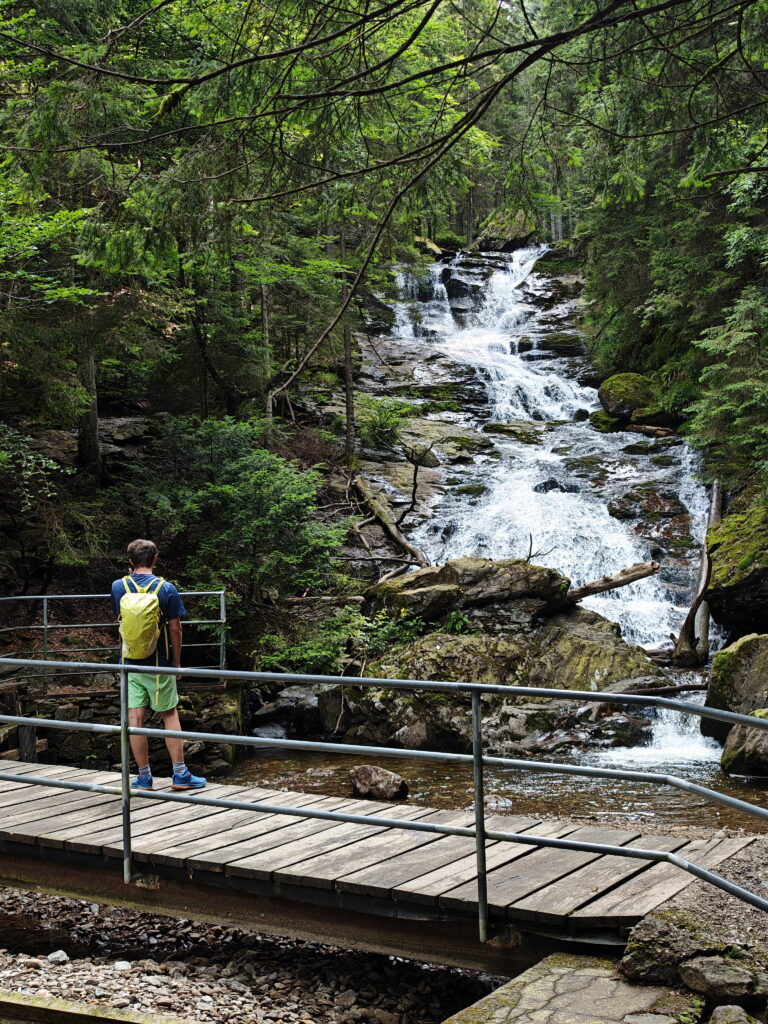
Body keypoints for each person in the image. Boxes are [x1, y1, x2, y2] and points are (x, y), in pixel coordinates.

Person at [111, 538, 206, 791]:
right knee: (169, 714)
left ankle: (144, 778)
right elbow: (175, 629)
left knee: (135, 719)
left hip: (129, 664)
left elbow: (121, 623)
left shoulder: (118, 586)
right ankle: (180, 775)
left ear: (131, 561)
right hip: (159, 663)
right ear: (155, 559)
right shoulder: (166, 589)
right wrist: (176, 664)